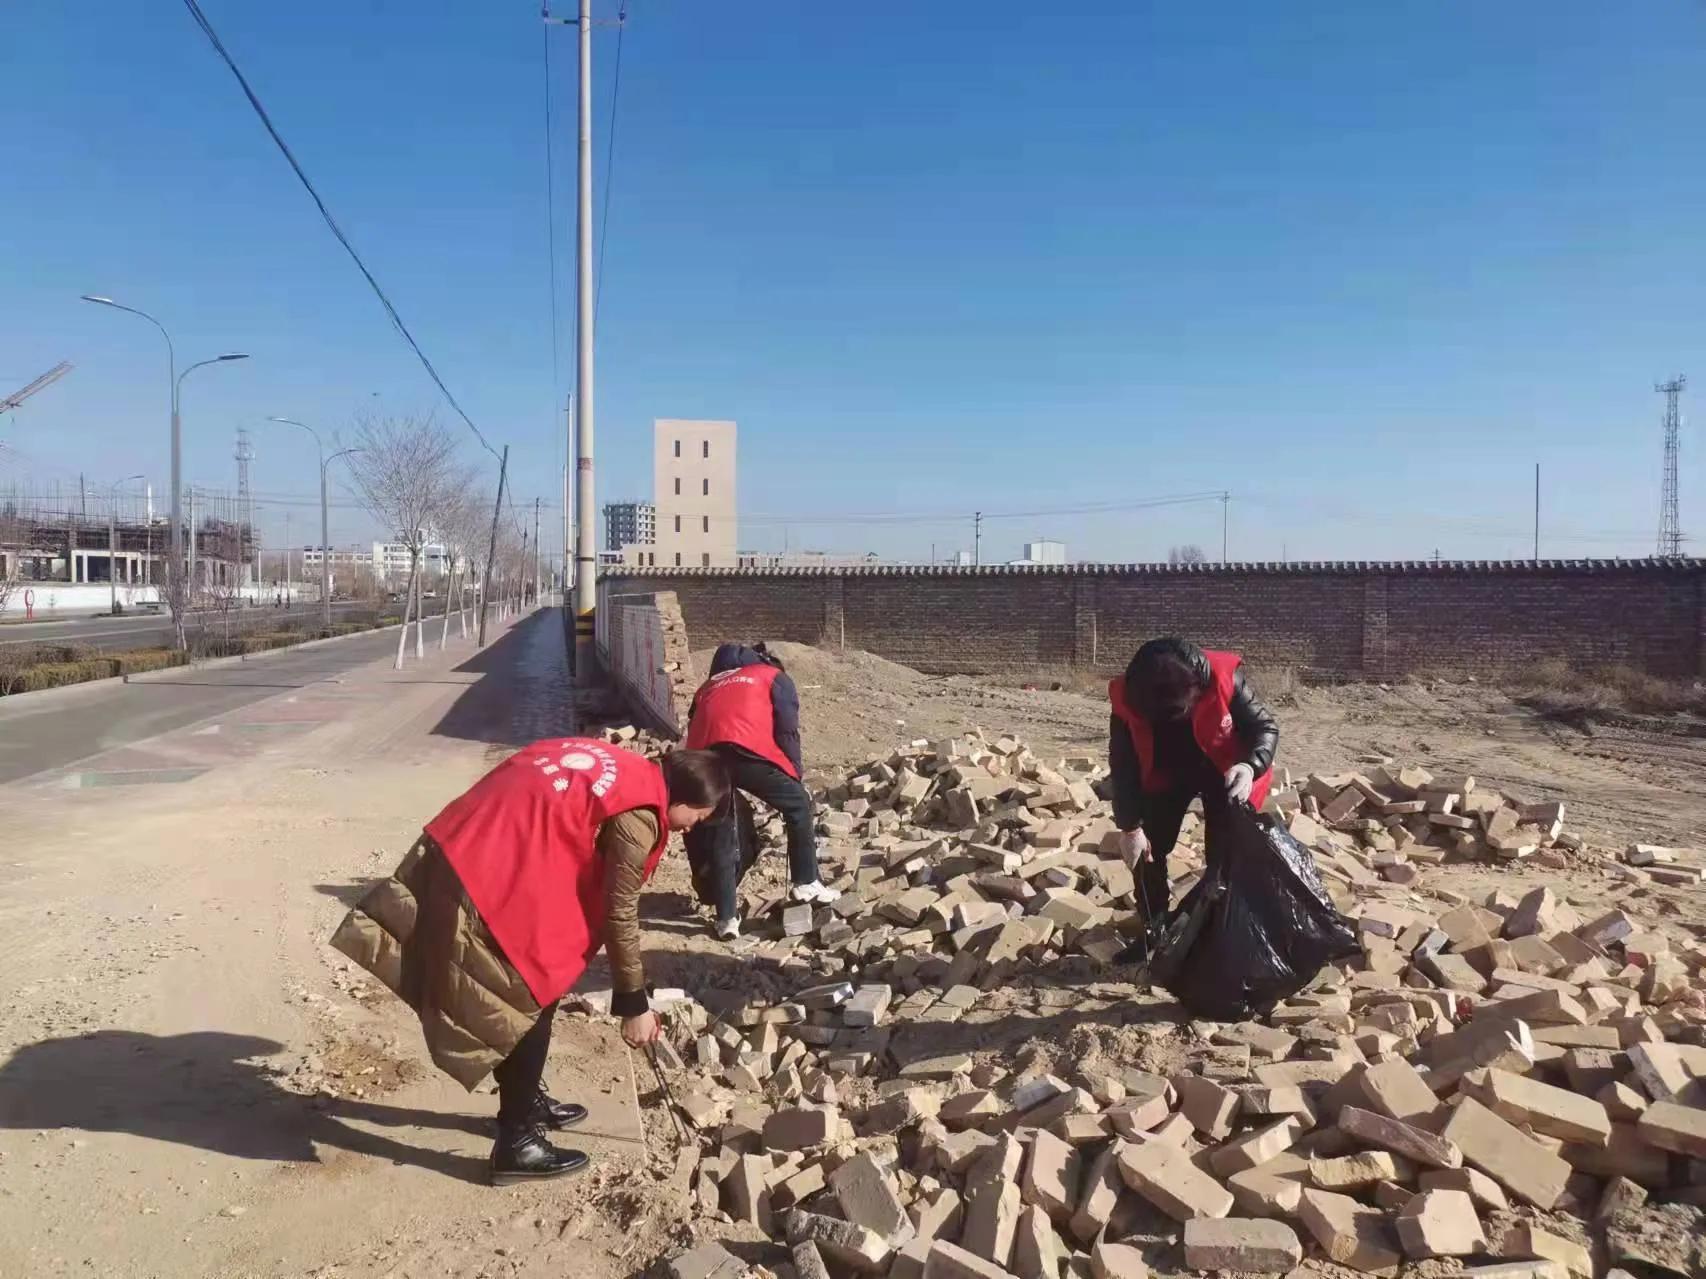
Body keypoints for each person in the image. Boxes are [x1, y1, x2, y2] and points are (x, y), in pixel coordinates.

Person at [329, 738, 728, 1185]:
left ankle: (523, 1101)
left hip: (471, 842)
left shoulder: (627, 768)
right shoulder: (639, 814)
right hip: (485, 869)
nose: (691, 829)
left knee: (540, 984)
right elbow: (621, 912)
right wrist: (633, 1003)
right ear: (682, 797)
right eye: (697, 818)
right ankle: (517, 1142)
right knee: (530, 989)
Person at [1107, 637, 1279, 935]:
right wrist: (1130, 828)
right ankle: (1154, 929)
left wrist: (1249, 766)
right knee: (1149, 850)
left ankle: (1213, 931)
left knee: (1224, 856)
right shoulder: (1127, 698)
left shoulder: (1223, 679)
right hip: (1165, 772)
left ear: (1197, 691)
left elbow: (1263, 727)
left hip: (1224, 771)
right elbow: (1123, 766)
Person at [684, 642, 839, 940]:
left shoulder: (708, 685)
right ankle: (806, 881)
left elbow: (695, 725)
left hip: (705, 761)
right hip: (745, 751)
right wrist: (794, 773)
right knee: (797, 805)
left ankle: (727, 918)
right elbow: (787, 728)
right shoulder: (770, 676)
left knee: (721, 833)